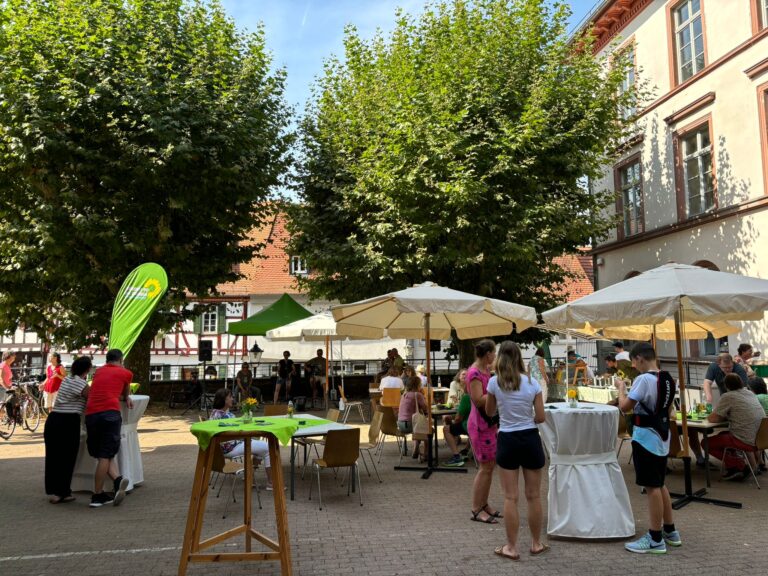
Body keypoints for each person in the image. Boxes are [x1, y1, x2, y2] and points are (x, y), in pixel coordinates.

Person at [615, 342, 680, 554]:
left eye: (634, 362)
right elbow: (669, 409)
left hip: (645, 438)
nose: (634, 367)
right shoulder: (668, 379)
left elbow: (625, 407)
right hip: (662, 437)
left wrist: (622, 390)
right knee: (660, 484)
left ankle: (654, 538)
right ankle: (670, 531)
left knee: (651, 487)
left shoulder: (643, 379)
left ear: (640, 358)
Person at [485, 341, 548, 559]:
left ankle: (511, 547)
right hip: (530, 438)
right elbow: (540, 417)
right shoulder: (532, 383)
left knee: (510, 497)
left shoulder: (494, 383)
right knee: (534, 495)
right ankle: (536, 543)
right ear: (520, 357)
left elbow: (490, 411)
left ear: (500, 358)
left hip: (508, 439)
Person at [85, 348, 133, 508]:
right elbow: (125, 393)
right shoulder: (126, 373)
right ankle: (97, 495)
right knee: (105, 455)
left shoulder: (98, 372)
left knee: (102, 453)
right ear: (121, 360)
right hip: (110, 414)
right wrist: (126, 397)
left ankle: (118, 480)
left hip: (91, 414)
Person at [44, 356, 92, 504]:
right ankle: (61, 492)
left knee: (53, 457)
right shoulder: (81, 384)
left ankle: (56, 491)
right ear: (87, 369)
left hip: (53, 419)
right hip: (68, 421)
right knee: (67, 457)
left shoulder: (67, 380)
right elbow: (93, 397)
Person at [209, 388, 277, 489]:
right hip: (231, 446)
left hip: (221, 448)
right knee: (269, 448)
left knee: (259, 447)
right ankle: (271, 483)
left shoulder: (215, 413)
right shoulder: (226, 416)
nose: (232, 399)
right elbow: (239, 431)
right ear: (224, 400)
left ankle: (249, 477)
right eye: (230, 397)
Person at [467, 339, 501, 524]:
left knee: (490, 466)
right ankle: (476, 508)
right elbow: (478, 399)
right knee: (484, 467)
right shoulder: (474, 374)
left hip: (488, 424)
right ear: (487, 354)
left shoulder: (486, 371)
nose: (495, 356)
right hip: (480, 426)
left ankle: (484, 503)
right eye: (494, 353)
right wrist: (499, 391)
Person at [707, 373, 765, 481]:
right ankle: (735, 464)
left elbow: (713, 419)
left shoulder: (728, 396)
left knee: (706, 443)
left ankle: (739, 465)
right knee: (721, 435)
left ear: (726, 386)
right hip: (760, 439)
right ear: (741, 383)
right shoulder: (749, 393)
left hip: (745, 439)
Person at [442, 369, 471, 467]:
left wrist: (454, 423)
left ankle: (456, 456)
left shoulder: (466, 398)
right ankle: (465, 450)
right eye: (463, 375)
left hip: (469, 426)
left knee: (446, 429)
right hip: (480, 426)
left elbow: (458, 418)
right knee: (447, 418)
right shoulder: (479, 396)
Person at [397, 376, 427, 460]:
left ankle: (416, 447)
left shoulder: (404, 394)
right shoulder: (417, 394)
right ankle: (426, 454)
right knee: (428, 430)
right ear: (418, 385)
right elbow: (425, 408)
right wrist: (423, 396)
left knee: (418, 427)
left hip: (400, 424)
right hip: (411, 424)